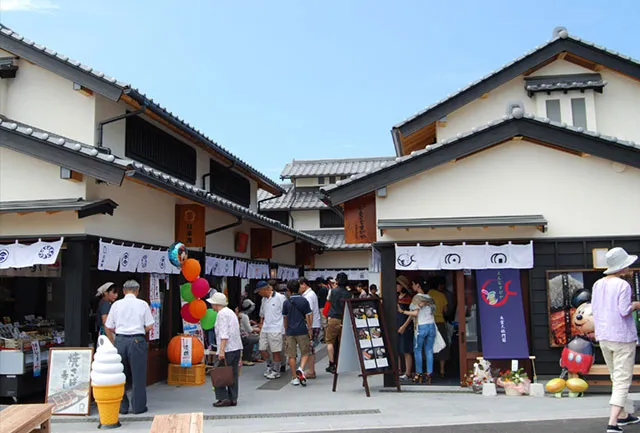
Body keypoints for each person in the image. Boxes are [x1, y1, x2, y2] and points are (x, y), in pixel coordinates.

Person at [591, 247, 640, 433]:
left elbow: (595, 309)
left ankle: (623, 415)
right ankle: (613, 423)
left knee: (615, 376)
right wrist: (635, 305)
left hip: (604, 335)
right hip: (622, 336)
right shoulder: (623, 285)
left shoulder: (598, 284)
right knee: (622, 379)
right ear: (621, 267)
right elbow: (624, 310)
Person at [104, 280, 154, 415]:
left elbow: (109, 325)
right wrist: (139, 329)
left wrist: (119, 334)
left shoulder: (116, 305)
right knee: (138, 375)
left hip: (120, 340)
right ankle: (138, 407)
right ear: (137, 291)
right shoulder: (143, 304)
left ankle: (122, 407)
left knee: (120, 375)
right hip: (137, 339)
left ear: (124, 291)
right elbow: (149, 325)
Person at [208, 292, 243, 407]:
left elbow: (224, 334)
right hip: (236, 347)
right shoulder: (230, 312)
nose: (212, 306)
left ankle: (223, 397)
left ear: (217, 304)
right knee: (233, 373)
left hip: (227, 348)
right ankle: (233, 397)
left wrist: (221, 351)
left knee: (220, 373)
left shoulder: (221, 314)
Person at [400, 287, 436, 384]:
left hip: (421, 326)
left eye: (413, 284)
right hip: (431, 326)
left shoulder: (417, 298)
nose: (412, 287)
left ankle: (419, 374)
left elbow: (415, 313)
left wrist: (403, 311)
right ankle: (429, 374)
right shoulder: (429, 297)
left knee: (418, 351)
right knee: (429, 351)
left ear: (417, 285)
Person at [283, 280, 313, 386]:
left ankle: (294, 377)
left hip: (290, 331)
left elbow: (285, 318)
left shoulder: (286, 302)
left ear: (289, 290)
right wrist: (310, 329)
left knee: (291, 355)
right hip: (302, 330)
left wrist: (286, 330)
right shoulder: (304, 301)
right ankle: (301, 368)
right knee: (305, 352)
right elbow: (309, 315)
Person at [256, 280, 286, 379]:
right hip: (265, 328)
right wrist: (261, 325)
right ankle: (270, 365)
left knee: (275, 351)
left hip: (276, 328)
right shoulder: (263, 300)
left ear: (265, 289)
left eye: (259, 291)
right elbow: (262, 314)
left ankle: (276, 370)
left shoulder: (280, 298)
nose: (259, 294)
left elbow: (286, 313)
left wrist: (285, 327)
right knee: (262, 349)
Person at [325, 272, 352, 374]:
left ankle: (332, 364)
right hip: (344, 319)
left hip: (333, 318)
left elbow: (329, 301)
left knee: (330, 341)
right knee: (342, 342)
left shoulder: (333, 291)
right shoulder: (349, 293)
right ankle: (341, 362)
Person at [426, 276, 450, 378]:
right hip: (440, 322)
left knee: (429, 347)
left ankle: (429, 370)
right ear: (439, 285)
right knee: (442, 345)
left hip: (428, 322)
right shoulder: (442, 296)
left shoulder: (426, 295)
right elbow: (446, 311)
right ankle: (442, 370)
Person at [300, 277, 321, 378]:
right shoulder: (310, 294)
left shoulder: (308, 296)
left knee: (309, 348)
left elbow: (309, 313)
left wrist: (309, 328)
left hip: (312, 325)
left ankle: (311, 371)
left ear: (304, 284)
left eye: (299, 285)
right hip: (313, 324)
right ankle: (311, 370)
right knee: (310, 348)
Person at [396, 275, 414, 380]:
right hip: (396, 324)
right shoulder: (395, 296)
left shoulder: (409, 298)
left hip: (406, 326)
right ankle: (398, 371)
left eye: (398, 284)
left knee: (406, 350)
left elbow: (411, 314)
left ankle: (407, 372)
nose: (396, 286)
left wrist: (404, 326)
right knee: (397, 349)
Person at [238, 299, 260, 366]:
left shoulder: (240, 314)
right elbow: (250, 330)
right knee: (259, 338)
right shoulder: (245, 316)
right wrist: (259, 329)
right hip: (244, 336)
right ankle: (254, 357)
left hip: (241, 335)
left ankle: (251, 356)